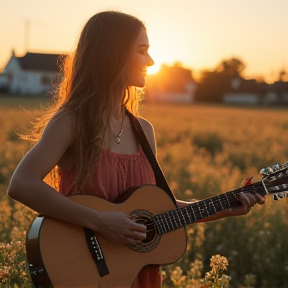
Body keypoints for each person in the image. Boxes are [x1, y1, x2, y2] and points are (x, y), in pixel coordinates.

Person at [7, 10, 265, 288]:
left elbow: (157, 211)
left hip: (138, 274)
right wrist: (100, 222)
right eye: (142, 51)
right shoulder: (72, 122)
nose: (151, 61)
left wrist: (227, 206)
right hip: (88, 273)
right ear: (112, 54)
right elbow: (22, 184)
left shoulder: (144, 130)